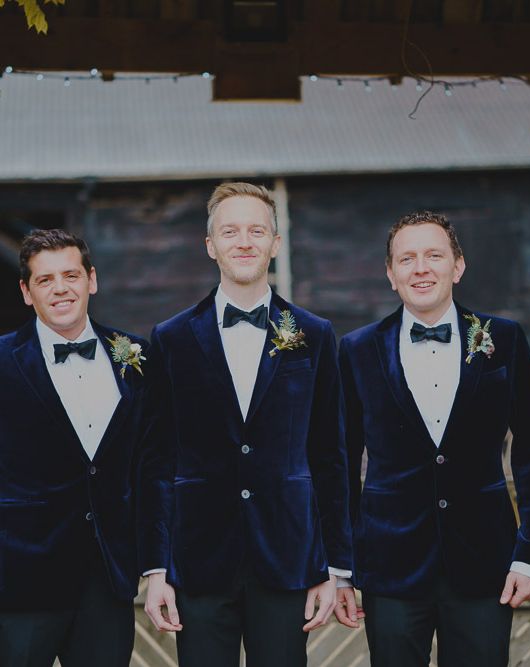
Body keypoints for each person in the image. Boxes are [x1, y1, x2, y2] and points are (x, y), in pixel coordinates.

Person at [143, 182, 354, 667]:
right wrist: (156, 568)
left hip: (288, 559)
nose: (244, 241)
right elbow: (157, 461)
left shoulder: (315, 336)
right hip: (197, 563)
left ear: (275, 244)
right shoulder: (171, 339)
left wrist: (335, 567)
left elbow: (330, 456)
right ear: (210, 245)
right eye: (230, 231)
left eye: (256, 230)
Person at [337, 211, 530, 667]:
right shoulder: (357, 350)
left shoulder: (505, 340)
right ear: (390, 274)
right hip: (389, 566)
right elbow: (340, 461)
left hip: (485, 563)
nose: (421, 268)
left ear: (457, 267)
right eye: (407, 259)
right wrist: (341, 569)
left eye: (434, 255)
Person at [0, 229, 158, 667]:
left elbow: (152, 464)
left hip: (107, 580)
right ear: (26, 293)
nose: (60, 288)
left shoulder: (136, 356)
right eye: (44, 280)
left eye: (70, 275)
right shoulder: (2, 361)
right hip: (22, 580)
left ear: (92, 279)